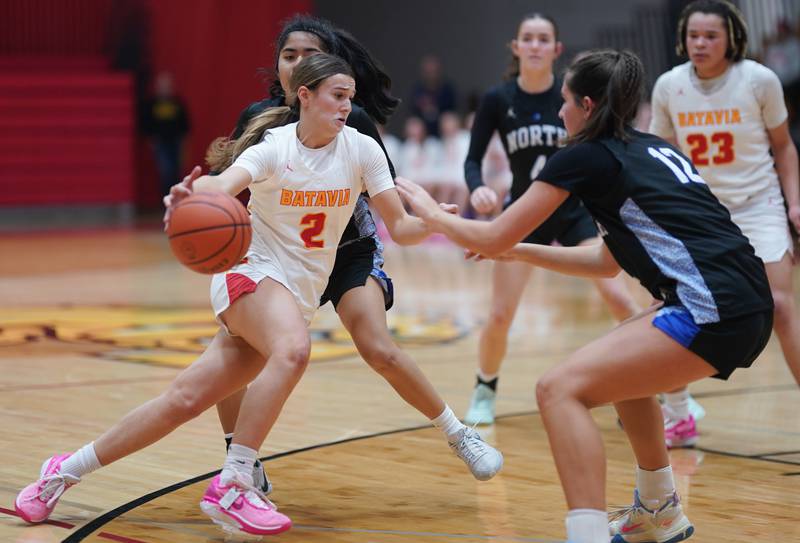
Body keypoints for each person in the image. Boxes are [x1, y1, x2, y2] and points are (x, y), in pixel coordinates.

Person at [13, 54, 500, 538]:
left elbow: (401, 227)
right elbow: (223, 184)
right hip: (249, 272)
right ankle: (234, 482)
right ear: (304, 96)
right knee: (293, 350)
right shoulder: (274, 147)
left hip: (296, 293)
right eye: (337, 96)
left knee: (182, 401)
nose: (346, 106)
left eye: (350, 97)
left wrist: (441, 223)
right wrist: (191, 197)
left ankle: (63, 470)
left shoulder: (361, 150)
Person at [398, 48, 774, 543]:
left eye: (566, 101)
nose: (559, 112)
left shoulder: (584, 155)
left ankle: (587, 534)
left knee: (557, 390)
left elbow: (490, 236)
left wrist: (432, 214)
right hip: (743, 299)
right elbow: (605, 260)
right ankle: (658, 507)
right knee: (623, 366)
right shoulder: (652, 149)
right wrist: (520, 254)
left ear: (589, 106)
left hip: (712, 308)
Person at [214, 15, 503, 498]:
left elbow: (394, 209)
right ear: (278, 66)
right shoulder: (261, 120)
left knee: (377, 346)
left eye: (309, 55)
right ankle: (238, 458)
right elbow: (227, 189)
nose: (299, 63)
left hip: (346, 250)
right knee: (235, 356)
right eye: (289, 55)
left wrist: (441, 222)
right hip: (279, 256)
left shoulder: (353, 125)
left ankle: (458, 433)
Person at [462, 13, 641, 425]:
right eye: (529, 38)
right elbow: (473, 159)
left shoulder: (571, 94)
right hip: (525, 211)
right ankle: (484, 389)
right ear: (516, 47)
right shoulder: (497, 99)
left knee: (618, 297)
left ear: (557, 50)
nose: (536, 45)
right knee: (501, 314)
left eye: (544, 39)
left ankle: (660, 389)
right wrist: (477, 187)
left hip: (576, 210)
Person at [650, 0, 800, 448]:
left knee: (780, 306)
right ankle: (678, 415)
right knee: (672, 310)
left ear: (731, 38)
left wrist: (794, 203)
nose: (700, 43)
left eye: (710, 36)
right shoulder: (669, 86)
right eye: (694, 35)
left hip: (758, 206)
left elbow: (784, 148)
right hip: (702, 214)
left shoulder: (759, 80)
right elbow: (660, 158)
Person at [141, 71, 191, 197]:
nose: (164, 88)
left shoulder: (177, 103)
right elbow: (146, 123)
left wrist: (184, 143)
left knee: (177, 171)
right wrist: (151, 139)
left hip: (176, 142)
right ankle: (167, 197)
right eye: (161, 85)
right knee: (166, 171)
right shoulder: (152, 104)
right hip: (161, 143)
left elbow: (185, 124)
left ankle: (178, 196)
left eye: (167, 85)